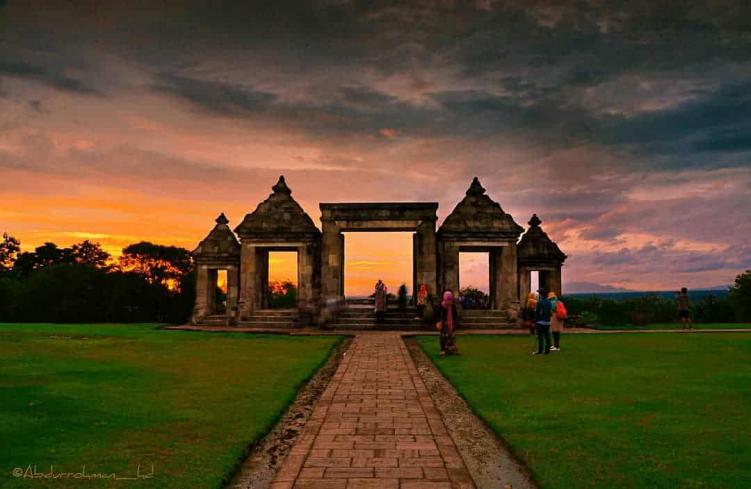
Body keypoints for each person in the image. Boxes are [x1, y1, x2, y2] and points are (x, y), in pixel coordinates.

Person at [439, 289, 459, 355]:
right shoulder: (442, 306)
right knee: (443, 336)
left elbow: (455, 315)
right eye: (448, 299)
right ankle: (443, 349)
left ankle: (452, 350)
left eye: (450, 299)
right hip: (444, 324)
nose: (449, 301)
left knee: (452, 336)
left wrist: (454, 324)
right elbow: (441, 316)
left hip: (451, 323)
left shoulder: (453, 306)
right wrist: (444, 323)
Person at [533, 288, 552, 355]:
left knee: (540, 337)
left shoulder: (540, 302)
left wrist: (535, 321)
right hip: (547, 321)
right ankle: (547, 351)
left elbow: (537, 312)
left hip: (540, 322)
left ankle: (540, 351)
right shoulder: (549, 302)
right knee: (547, 337)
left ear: (541, 295)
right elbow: (550, 312)